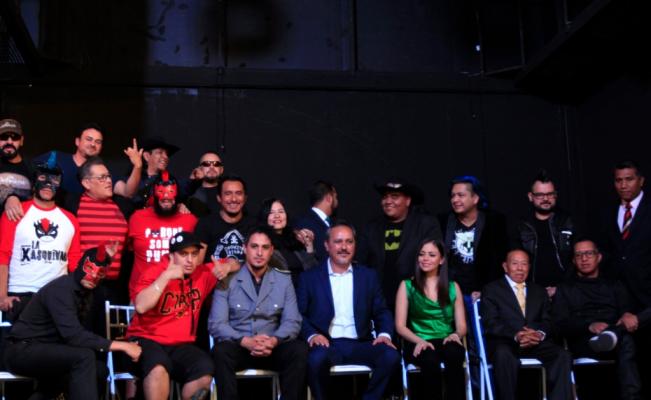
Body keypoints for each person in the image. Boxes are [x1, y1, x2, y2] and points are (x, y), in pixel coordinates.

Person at [3, 245, 142, 400]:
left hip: (50, 351)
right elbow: (74, 336)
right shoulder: (62, 288)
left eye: (100, 272)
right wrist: (123, 346)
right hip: (22, 351)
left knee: (99, 369)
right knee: (84, 357)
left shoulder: (86, 293)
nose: (94, 275)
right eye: (90, 268)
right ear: (81, 265)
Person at [296, 222, 401, 400]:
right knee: (314, 361)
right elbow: (299, 315)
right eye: (338, 242)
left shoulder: (368, 276)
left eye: (349, 242)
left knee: (390, 356)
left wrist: (384, 334)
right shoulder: (309, 277)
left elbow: (382, 311)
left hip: (361, 343)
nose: (344, 247)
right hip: (327, 344)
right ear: (327, 245)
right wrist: (312, 335)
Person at [126, 231, 230, 400]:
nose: (190, 260)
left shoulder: (202, 273)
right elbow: (141, 306)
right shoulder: (154, 272)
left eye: (194, 254)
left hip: (179, 346)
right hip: (146, 340)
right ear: (171, 255)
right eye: (183, 254)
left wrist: (227, 267)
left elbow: (236, 262)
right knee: (158, 367)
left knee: (205, 368)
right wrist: (165, 277)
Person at [209, 226, 308, 400]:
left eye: (265, 247)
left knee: (299, 350)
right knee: (220, 351)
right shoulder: (227, 280)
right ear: (244, 249)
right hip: (240, 345)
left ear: (272, 251)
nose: (259, 253)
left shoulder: (283, 280)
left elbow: (292, 321)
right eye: (254, 246)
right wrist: (245, 341)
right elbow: (216, 324)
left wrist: (274, 340)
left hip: (272, 346)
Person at [553, 239, 641, 400]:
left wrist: (627, 314)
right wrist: (589, 326)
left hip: (617, 339)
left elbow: (627, 314)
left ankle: (612, 335)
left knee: (628, 335)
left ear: (598, 257)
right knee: (625, 341)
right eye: (579, 255)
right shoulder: (565, 289)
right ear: (573, 260)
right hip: (585, 341)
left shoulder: (615, 285)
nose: (584, 258)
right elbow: (560, 324)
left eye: (589, 253)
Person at [480, 249, 572, 400]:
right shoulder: (492, 290)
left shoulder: (539, 291)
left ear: (529, 267)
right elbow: (491, 322)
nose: (520, 268)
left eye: (524, 264)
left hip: (536, 341)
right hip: (507, 342)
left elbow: (549, 321)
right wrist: (517, 335)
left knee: (562, 355)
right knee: (503, 355)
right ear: (505, 266)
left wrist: (539, 334)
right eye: (515, 263)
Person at [0, 155, 81, 322]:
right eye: (43, 177)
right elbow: (2, 256)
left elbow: (74, 263)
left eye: (54, 179)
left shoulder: (70, 220)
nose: (48, 183)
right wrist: (2, 296)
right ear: (34, 180)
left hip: (58, 297)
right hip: (21, 294)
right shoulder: (16, 212)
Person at [395, 238, 466, 400]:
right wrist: (419, 340)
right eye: (422, 254)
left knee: (455, 353)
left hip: (446, 338)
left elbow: (462, 325)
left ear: (441, 260)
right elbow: (400, 326)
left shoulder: (453, 287)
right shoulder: (407, 286)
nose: (425, 258)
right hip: (418, 339)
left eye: (432, 255)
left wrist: (456, 334)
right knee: (429, 359)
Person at [357, 178, 442, 311]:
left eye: (394, 196)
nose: (388, 201)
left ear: (408, 201)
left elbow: (436, 260)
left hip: (417, 300)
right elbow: (360, 263)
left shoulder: (426, 224)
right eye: (385, 197)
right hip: (379, 303)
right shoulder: (371, 228)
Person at [127, 171, 197, 300]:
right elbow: (128, 249)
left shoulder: (190, 220)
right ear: (154, 194)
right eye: (161, 193)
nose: (166, 198)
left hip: (177, 296)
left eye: (170, 193)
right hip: (142, 293)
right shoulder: (137, 218)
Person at [511, 170, 576, 297]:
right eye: (540, 195)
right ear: (530, 196)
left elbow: (578, 258)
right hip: (531, 293)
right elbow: (514, 263)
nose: (546, 199)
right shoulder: (520, 226)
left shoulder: (568, 221)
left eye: (550, 194)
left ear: (555, 195)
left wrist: (562, 289)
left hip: (566, 292)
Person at [35, 123, 143, 197]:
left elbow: (127, 192)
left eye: (98, 142)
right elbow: (31, 175)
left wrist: (137, 166)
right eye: (89, 139)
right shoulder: (55, 157)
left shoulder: (104, 171)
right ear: (77, 141)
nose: (93, 144)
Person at [257, 197, 317, 286]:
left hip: (303, 291)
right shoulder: (262, 244)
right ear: (265, 217)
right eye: (271, 212)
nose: (277, 215)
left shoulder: (294, 239)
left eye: (281, 212)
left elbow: (313, 272)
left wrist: (309, 246)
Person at [124, 136, 179, 208]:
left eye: (166, 154)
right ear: (147, 156)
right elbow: (128, 194)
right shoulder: (131, 178)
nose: (166, 157)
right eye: (160, 152)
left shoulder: (171, 181)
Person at [295, 180, 338, 261]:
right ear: (329, 198)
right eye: (336, 197)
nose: (337, 201)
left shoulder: (334, 224)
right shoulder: (304, 223)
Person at [0, 118, 33, 213]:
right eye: (4, 137)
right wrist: (8, 198)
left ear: (21, 140)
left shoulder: (32, 167)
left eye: (15, 137)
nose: (9, 142)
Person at [186, 151, 224, 217]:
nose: (212, 167)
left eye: (216, 164)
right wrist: (190, 182)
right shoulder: (190, 193)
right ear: (199, 169)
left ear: (221, 170)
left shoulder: (229, 192)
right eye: (206, 164)